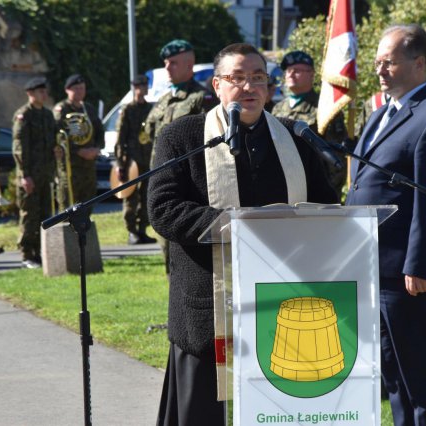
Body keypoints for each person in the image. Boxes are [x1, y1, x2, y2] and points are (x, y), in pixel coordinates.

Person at [148, 42, 338, 426]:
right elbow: (163, 210)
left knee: (277, 410)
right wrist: (232, 226)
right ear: (217, 85)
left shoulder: (295, 138)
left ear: (269, 88)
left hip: (282, 302)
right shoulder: (182, 137)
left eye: (257, 78)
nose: (248, 86)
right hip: (208, 303)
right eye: (237, 78)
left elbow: (327, 206)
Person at [345, 25, 426, 425]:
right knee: (394, 373)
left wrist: (417, 265)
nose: (380, 69)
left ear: (419, 63)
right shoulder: (382, 113)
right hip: (373, 264)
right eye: (377, 61)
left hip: (409, 273)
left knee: (420, 374)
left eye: (389, 61)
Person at [144, 39, 216, 275]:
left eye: (173, 63)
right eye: (165, 63)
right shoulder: (164, 100)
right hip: (162, 179)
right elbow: (148, 134)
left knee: (183, 248)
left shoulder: (201, 98)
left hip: (189, 185)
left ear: (189, 64)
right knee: (164, 241)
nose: (167, 68)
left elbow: (209, 141)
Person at [272, 50, 348, 199]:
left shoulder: (325, 108)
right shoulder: (277, 108)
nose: (291, 74)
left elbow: (336, 156)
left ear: (312, 74)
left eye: (297, 70)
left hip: (314, 189)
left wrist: (328, 193)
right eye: (288, 70)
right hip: (282, 187)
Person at [12, 77, 58, 269]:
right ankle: (27, 253)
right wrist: (24, 175)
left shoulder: (47, 115)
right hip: (30, 175)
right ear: (30, 94)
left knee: (45, 215)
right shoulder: (24, 115)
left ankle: (41, 252)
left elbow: (53, 141)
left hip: (45, 174)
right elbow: (19, 147)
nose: (44, 94)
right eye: (40, 92)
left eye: (45, 91)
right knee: (29, 215)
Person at [115, 75, 156, 245]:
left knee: (146, 195)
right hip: (131, 159)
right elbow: (120, 138)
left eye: (145, 85)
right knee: (130, 196)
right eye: (140, 85)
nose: (144, 88)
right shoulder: (127, 109)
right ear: (134, 88)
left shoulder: (151, 109)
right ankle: (131, 231)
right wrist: (120, 164)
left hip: (147, 158)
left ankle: (142, 229)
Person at [53, 74, 104, 210]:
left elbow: (99, 131)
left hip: (88, 166)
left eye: (82, 88)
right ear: (67, 90)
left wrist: (97, 148)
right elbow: (58, 137)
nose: (80, 91)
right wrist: (78, 151)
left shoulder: (89, 109)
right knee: (68, 204)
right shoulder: (61, 110)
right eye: (76, 88)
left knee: (88, 202)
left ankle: (84, 230)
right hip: (71, 166)